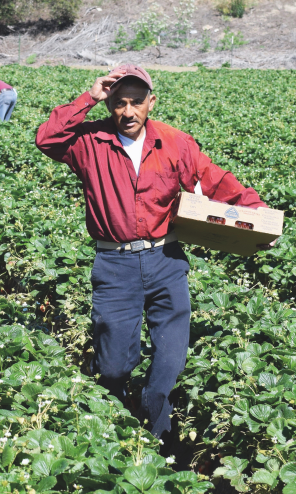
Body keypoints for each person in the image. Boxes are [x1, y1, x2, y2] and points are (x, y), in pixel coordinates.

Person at [35, 64, 271, 441]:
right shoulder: (89, 142)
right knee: (114, 365)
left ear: (151, 102)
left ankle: (158, 431)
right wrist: (87, 97)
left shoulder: (175, 142)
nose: (128, 112)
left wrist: (256, 212)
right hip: (114, 263)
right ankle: (112, 410)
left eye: (136, 102)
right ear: (108, 103)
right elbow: (47, 139)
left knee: (170, 358)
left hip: (166, 259)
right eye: (118, 103)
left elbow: (215, 180)